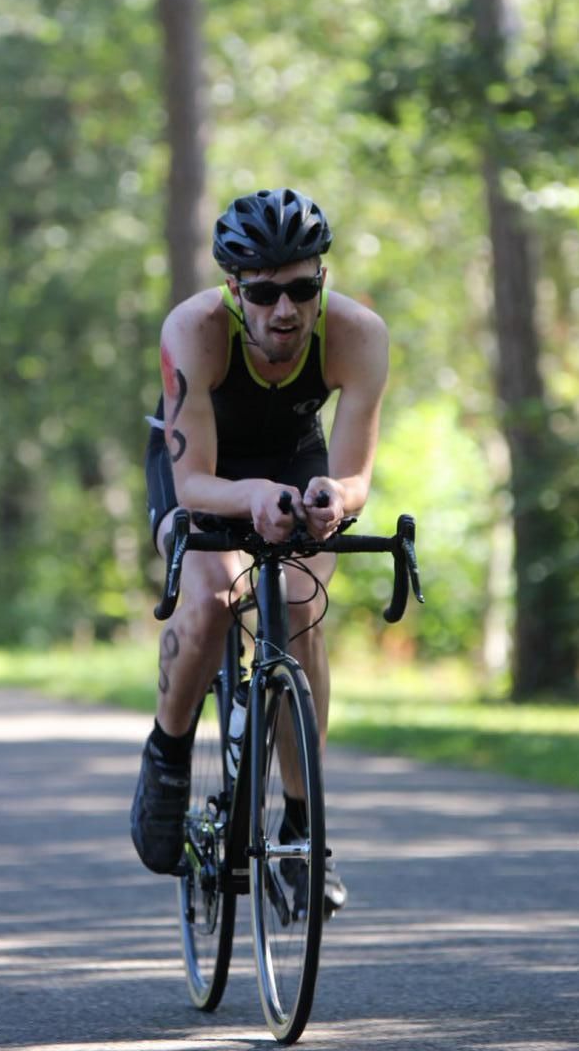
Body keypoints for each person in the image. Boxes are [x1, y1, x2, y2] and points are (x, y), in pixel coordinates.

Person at [131, 186, 388, 916]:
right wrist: (251, 499)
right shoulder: (194, 330)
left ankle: (306, 834)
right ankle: (169, 757)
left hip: (293, 453)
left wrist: (333, 498)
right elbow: (193, 480)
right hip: (201, 467)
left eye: (303, 289)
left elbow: (355, 475)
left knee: (303, 604)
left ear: (322, 283)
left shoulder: (359, 334)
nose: (286, 310)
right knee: (213, 596)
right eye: (265, 292)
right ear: (234, 291)